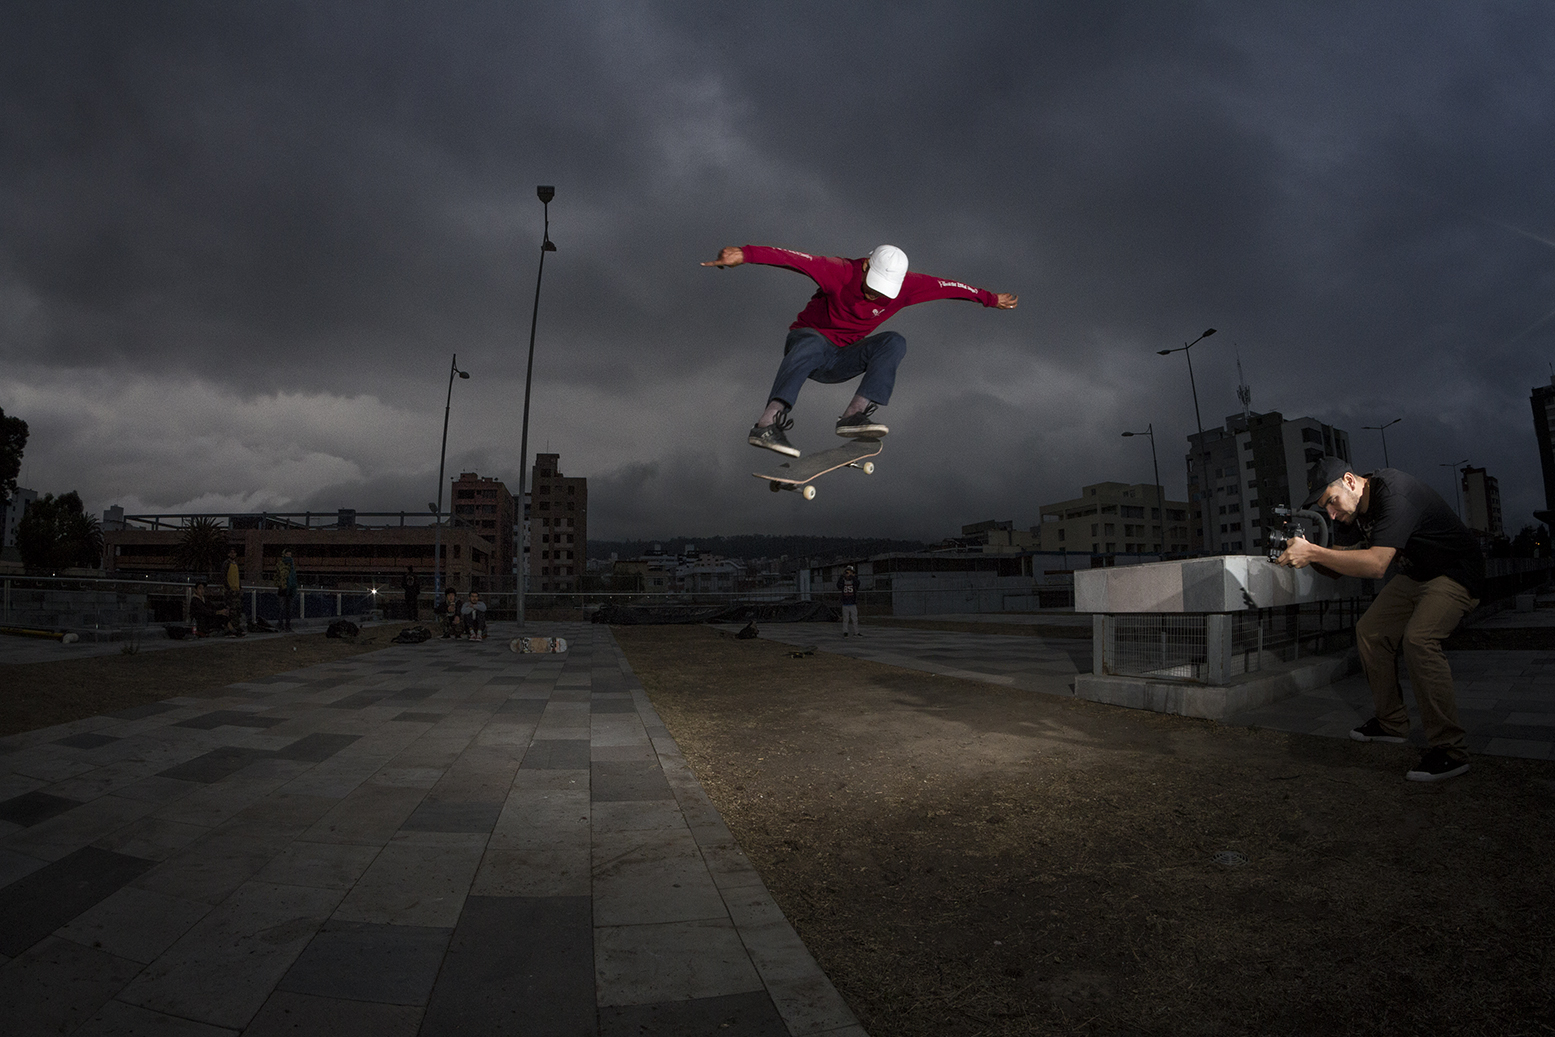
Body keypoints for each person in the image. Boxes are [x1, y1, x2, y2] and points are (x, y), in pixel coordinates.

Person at [1276, 457, 1485, 782]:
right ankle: (1391, 723)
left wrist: (1314, 553)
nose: (1331, 513)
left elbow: (1375, 565)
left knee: (1419, 639)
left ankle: (1451, 751)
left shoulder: (1395, 492)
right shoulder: (1350, 513)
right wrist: (1301, 553)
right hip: (1416, 574)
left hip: (1456, 572)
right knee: (1370, 631)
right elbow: (1340, 564)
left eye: (1331, 502)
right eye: (1324, 507)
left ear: (1350, 480)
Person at [702, 244, 1018, 456]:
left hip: (842, 359)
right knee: (812, 341)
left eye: (883, 294)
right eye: (871, 288)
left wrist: (990, 298)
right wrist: (745, 254)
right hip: (807, 346)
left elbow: (949, 288)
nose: (874, 298)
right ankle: (767, 424)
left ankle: (853, 416)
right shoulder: (839, 271)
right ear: (866, 265)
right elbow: (793, 259)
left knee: (894, 341)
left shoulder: (908, 287)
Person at [222, 548, 245, 636]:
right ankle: (231, 628)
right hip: (230, 591)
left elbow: (237, 577)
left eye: (234, 553)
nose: (233, 554)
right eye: (231, 553)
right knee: (231, 610)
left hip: (236, 591)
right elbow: (224, 576)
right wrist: (228, 588)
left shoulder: (235, 564)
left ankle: (236, 627)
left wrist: (239, 587)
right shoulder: (227, 564)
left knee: (237, 610)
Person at [274, 549, 299, 632]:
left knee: (289, 609)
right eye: (287, 554)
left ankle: (288, 626)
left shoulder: (292, 566)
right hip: (283, 589)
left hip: (290, 590)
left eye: (290, 555)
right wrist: (280, 584)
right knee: (282, 608)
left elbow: (294, 577)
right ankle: (280, 625)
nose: (289, 556)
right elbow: (276, 576)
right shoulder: (280, 565)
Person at [837, 564, 861, 637]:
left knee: (855, 618)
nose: (848, 574)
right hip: (845, 603)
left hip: (852, 602)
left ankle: (856, 632)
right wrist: (842, 576)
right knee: (845, 618)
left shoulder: (854, 581)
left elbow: (858, 583)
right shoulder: (843, 581)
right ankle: (845, 632)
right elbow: (838, 586)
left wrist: (852, 576)